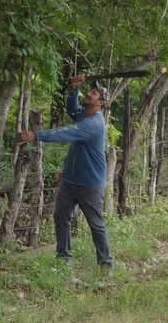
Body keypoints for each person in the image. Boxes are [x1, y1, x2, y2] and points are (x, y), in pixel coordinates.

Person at [19, 74, 113, 267]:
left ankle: (106, 264)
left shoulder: (93, 123)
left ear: (101, 103)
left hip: (90, 183)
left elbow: (66, 132)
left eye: (93, 93)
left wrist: (36, 135)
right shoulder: (85, 115)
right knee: (61, 217)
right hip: (70, 180)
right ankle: (64, 259)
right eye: (89, 91)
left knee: (96, 224)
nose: (89, 93)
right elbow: (72, 109)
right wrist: (74, 90)